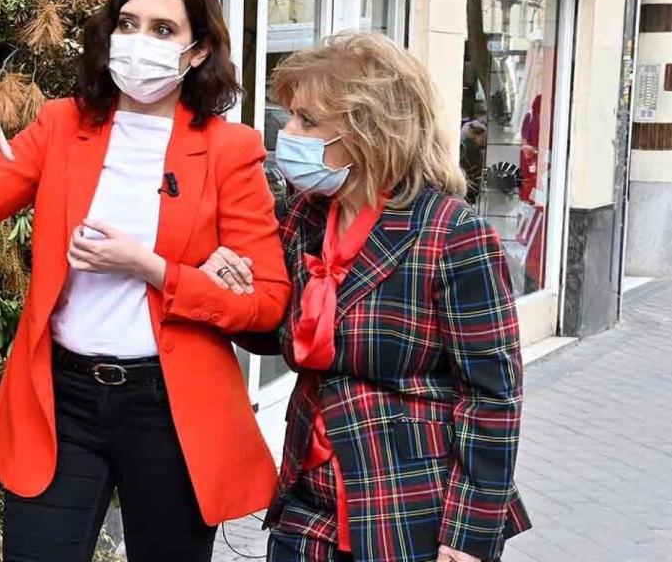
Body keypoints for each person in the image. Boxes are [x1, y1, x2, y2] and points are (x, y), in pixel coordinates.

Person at [0, 0, 291, 560]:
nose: (139, 41)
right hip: (62, 397)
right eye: (128, 23)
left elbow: (266, 303)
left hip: (169, 405)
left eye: (163, 30)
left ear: (197, 51)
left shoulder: (229, 150)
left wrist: (153, 269)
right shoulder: (61, 125)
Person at [203, 32, 531, 562]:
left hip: (407, 506)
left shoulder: (451, 233)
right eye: (289, 116)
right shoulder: (304, 217)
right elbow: (277, 334)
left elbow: (493, 396)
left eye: (307, 121)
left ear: (369, 132)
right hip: (308, 499)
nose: (285, 134)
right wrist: (230, 288)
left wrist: (469, 534)